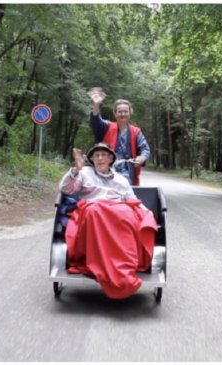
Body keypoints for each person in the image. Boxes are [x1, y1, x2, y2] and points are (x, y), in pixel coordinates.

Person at [59, 142, 156, 299]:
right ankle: (101, 265)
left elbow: (133, 200)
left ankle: (123, 269)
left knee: (127, 214)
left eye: (103, 155)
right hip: (93, 209)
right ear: (91, 159)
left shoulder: (121, 180)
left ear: (111, 158)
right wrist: (76, 170)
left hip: (118, 210)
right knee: (95, 212)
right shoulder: (84, 173)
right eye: (96, 155)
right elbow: (66, 189)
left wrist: (148, 214)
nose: (100, 158)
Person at [88, 87, 151, 186]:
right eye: (120, 111)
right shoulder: (106, 127)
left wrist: (141, 158)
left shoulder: (136, 131)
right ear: (115, 113)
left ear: (130, 113)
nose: (123, 114)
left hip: (127, 173)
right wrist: (96, 104)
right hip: (105, 172)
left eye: (125, 111)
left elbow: (145, 149)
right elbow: (95, 122)